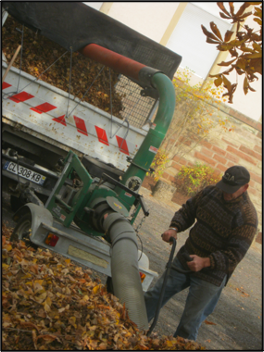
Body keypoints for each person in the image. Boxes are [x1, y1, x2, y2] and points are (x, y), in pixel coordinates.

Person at [144, 165, 258, 341]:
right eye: (225, 186)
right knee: (154, 296)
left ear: (245, 188)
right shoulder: (211, 192)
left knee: (189, 324)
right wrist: (175, 227)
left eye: (232, 190)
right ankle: (129, 329)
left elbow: (234, 255)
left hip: (212, 274)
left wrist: (205, 262)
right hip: (187, 256)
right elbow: (188, 211)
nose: (226, 193)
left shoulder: (247, 217)